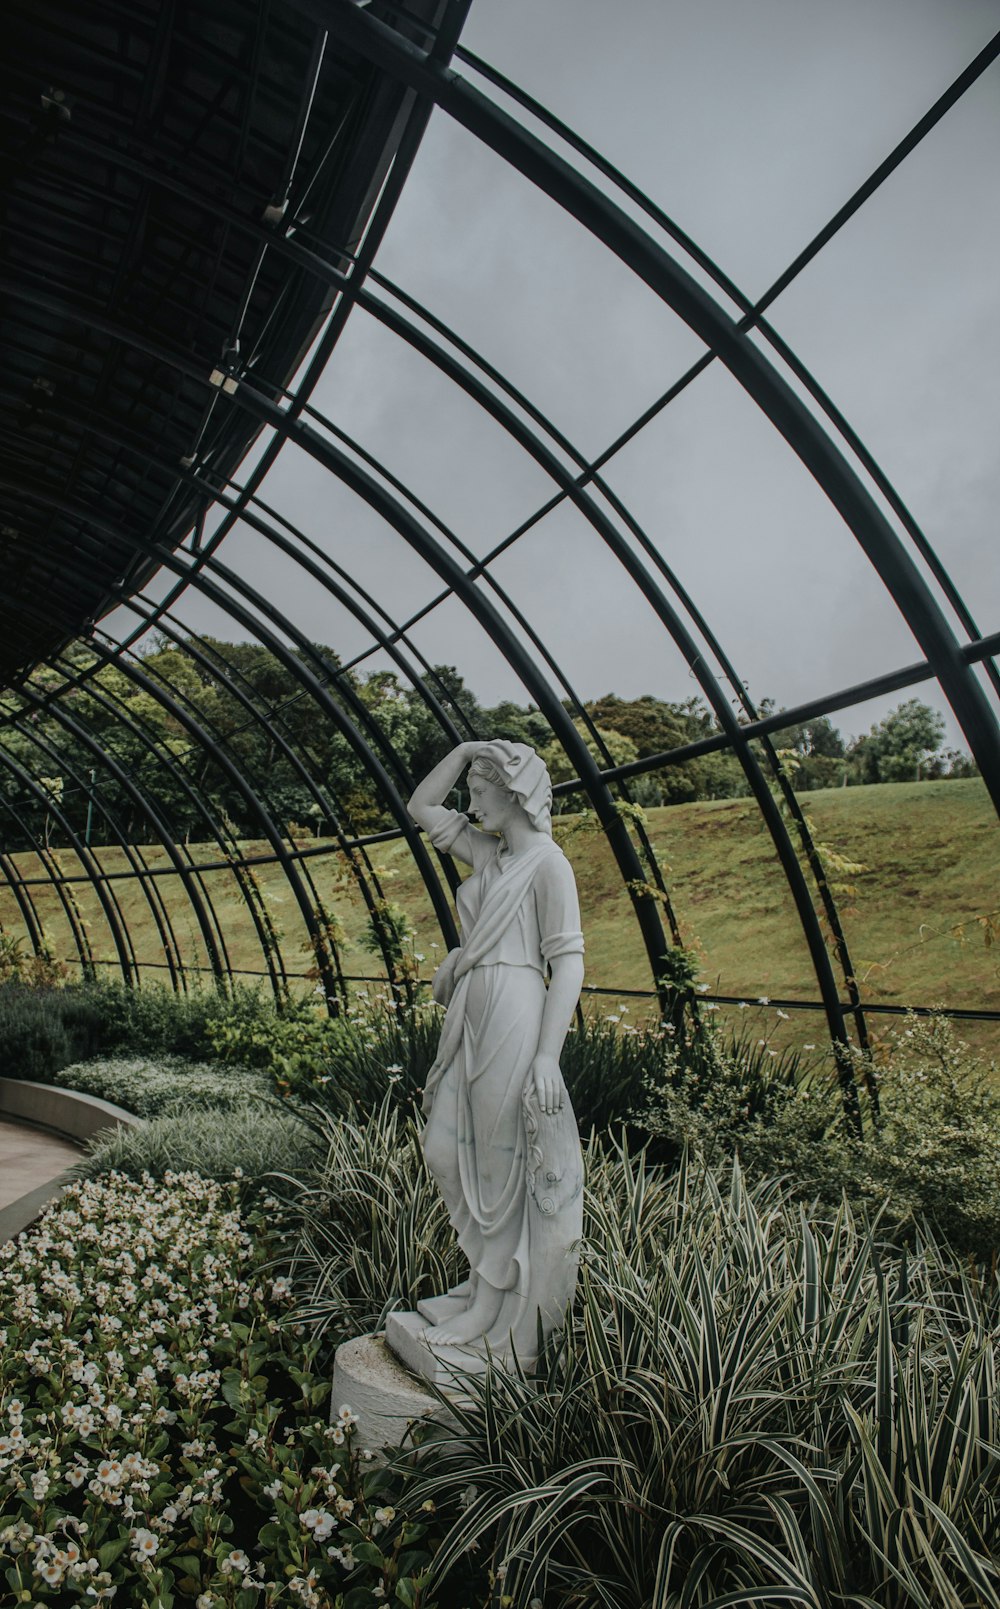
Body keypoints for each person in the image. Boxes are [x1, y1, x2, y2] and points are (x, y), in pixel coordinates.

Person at [406, 739, 585, 1365]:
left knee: (496, 1165)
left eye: (480, 791)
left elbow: (568, 962)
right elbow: (420, 804)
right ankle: (485, 1281)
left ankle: (490, 1301)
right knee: (446, 1150)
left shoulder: (547, 865)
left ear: (513, 793)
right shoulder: (491, 856)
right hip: (472, 1008)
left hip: (513, 1004)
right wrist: (461, 751)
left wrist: (546, 1056)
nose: (470, 802)